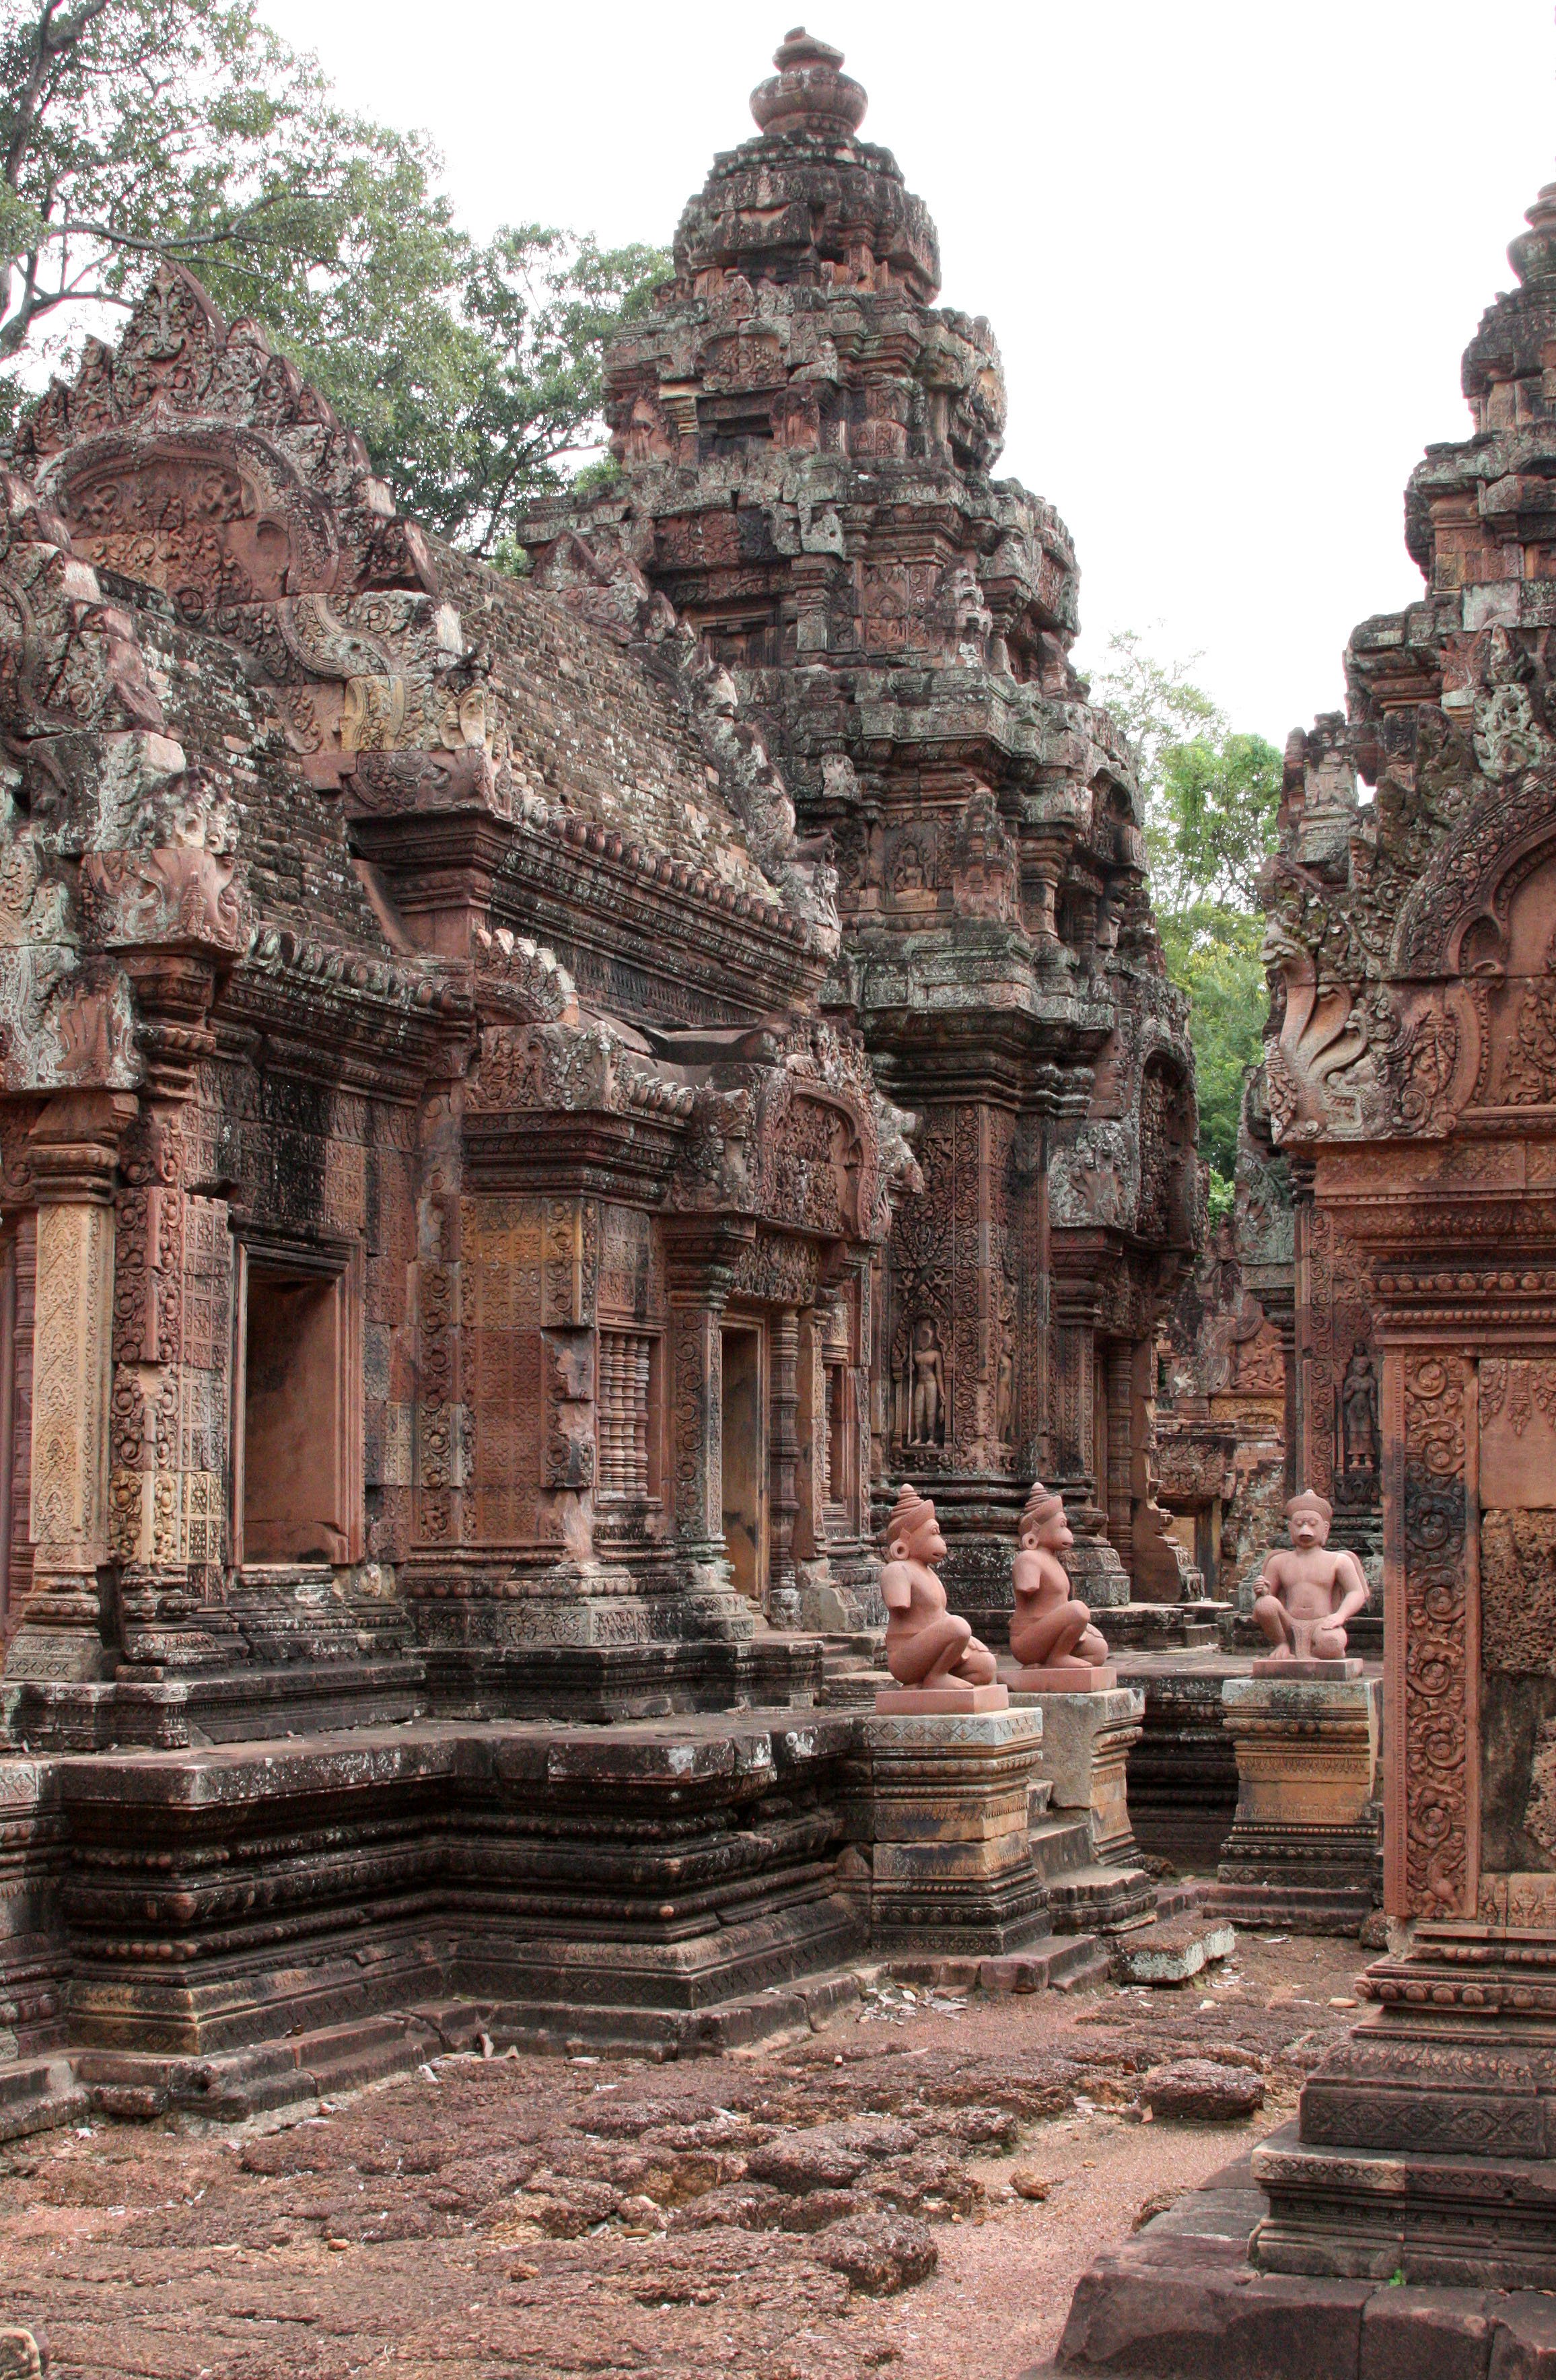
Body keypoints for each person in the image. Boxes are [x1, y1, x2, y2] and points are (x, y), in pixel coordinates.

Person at [880, 1482, 997, 1687]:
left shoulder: (929, 1573)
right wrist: (954, 1631)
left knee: (986, 1666)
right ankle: (935, 1677)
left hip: (936, 1651)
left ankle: (934, 1678)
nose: (941, 1541)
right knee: (958, 1626)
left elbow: (937, 1614)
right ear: (906, 1539)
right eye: (933, 1533)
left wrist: (967, 1640)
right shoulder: (898, 1570)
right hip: (907, 1656)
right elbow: (898, 1604)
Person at [1254, 1490, 1370, 1660]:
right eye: (1299, 1524)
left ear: (1325, 1529)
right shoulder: (1278, 1561)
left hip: (1322, 1623)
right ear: (1290, 1528)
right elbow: (1267, 1601)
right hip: (1288, 1624)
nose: (1305, 1530)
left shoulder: (1339, 1561)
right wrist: (1261, 1592)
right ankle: (1282, 1644)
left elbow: (1357, 1592)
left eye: (1312, 1524)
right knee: (1265, 1604)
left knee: (1332, 1643)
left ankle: (1311, 1653)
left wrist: (1340, 1615)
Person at [1010, 1481, 1109, 1676]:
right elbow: (1027, 1589)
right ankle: (1057, 1658)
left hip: (1053, 1635)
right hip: (1029, 1639)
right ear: (1037, 1530)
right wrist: (1072, 1618)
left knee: (1099, 1650)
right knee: (1078, 1609)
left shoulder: (1054, 1561)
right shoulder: (1028, 1559)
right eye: (1062, 1526)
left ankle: (1048, 1663)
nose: (1068, 1533)